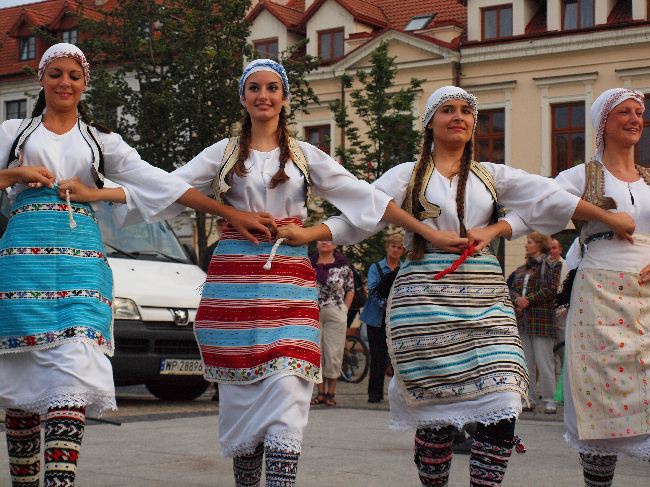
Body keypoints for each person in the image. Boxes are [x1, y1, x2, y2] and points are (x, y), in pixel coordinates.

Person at [76, 60, 469, 486]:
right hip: (232, 287)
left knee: (288, 390)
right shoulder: (223, 152)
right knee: (243, 403)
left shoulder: (304, 155)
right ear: (243, 97)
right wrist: (95, 193)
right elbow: (166, 188)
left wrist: (425, 232)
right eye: (255, 88)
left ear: (284, 97)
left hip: (289, 284)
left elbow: (367, 200)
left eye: (272, 88)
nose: (264, 96)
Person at [278, 86, 635, 486]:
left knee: (504, 399)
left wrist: (504, 227)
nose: (459, 116)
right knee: (437, 410)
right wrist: (312, 232)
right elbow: (361, 217)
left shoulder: (491, 174)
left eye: (466, 110)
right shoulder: (405, 175)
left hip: (485, 296)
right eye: (448, 109)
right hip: (423, 298)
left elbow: (549, 198)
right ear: (430, 123)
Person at [0, 43, 275, 487]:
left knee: (75, 362)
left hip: (82, 265)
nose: (65, 83)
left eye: (73, 75)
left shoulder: (102, 142)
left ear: (85, 83)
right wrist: (16, 175)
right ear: (41, 79)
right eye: (56, 74)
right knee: (23, 381)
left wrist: (231, 214)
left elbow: (164, 186)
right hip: (21, 265)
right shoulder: (13, 132)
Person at [555, 88, 650, 487]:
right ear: (603, 123)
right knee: (601, 394)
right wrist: (606, 217)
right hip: (598, 294)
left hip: (647, 298)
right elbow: (541, 204)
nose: (634, 119)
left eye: (639, 113)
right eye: (624, 113)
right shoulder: (579, 176)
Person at [507, 232, 562, 414]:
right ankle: (528, 399)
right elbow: (510, 288)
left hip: (542, 321)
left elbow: (550, 289)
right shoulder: (521, 269)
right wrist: (517, 300)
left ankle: (549, 400)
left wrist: (527, 300)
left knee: (545, 362)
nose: (526, 245)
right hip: (524, 321)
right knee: (526, 362)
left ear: (539, 244)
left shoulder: (553, 265)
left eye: (529, 242)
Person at [309, 241, 354, 407]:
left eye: (328, 240)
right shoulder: (309, 263)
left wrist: (345, 310)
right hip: (312, 312)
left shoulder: (343, 266)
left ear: (335, 245)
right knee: (315, 353)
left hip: (335, 312)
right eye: (321, 240)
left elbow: (350, 289)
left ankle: (331, 393)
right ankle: (319, 393)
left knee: (333, 353)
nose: (324, 243)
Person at [361, 233, 404, 403]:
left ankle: (398, 395)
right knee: (378, 357)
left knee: (397, 357)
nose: (395, 250)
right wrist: (388, 305)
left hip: (397, 320)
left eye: (399, 247)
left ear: (402, 251)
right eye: (393, 246)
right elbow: (372, 291)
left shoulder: (404, 268)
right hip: (375, 319)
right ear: (388, 247)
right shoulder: (375, 268)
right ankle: (375, 393)